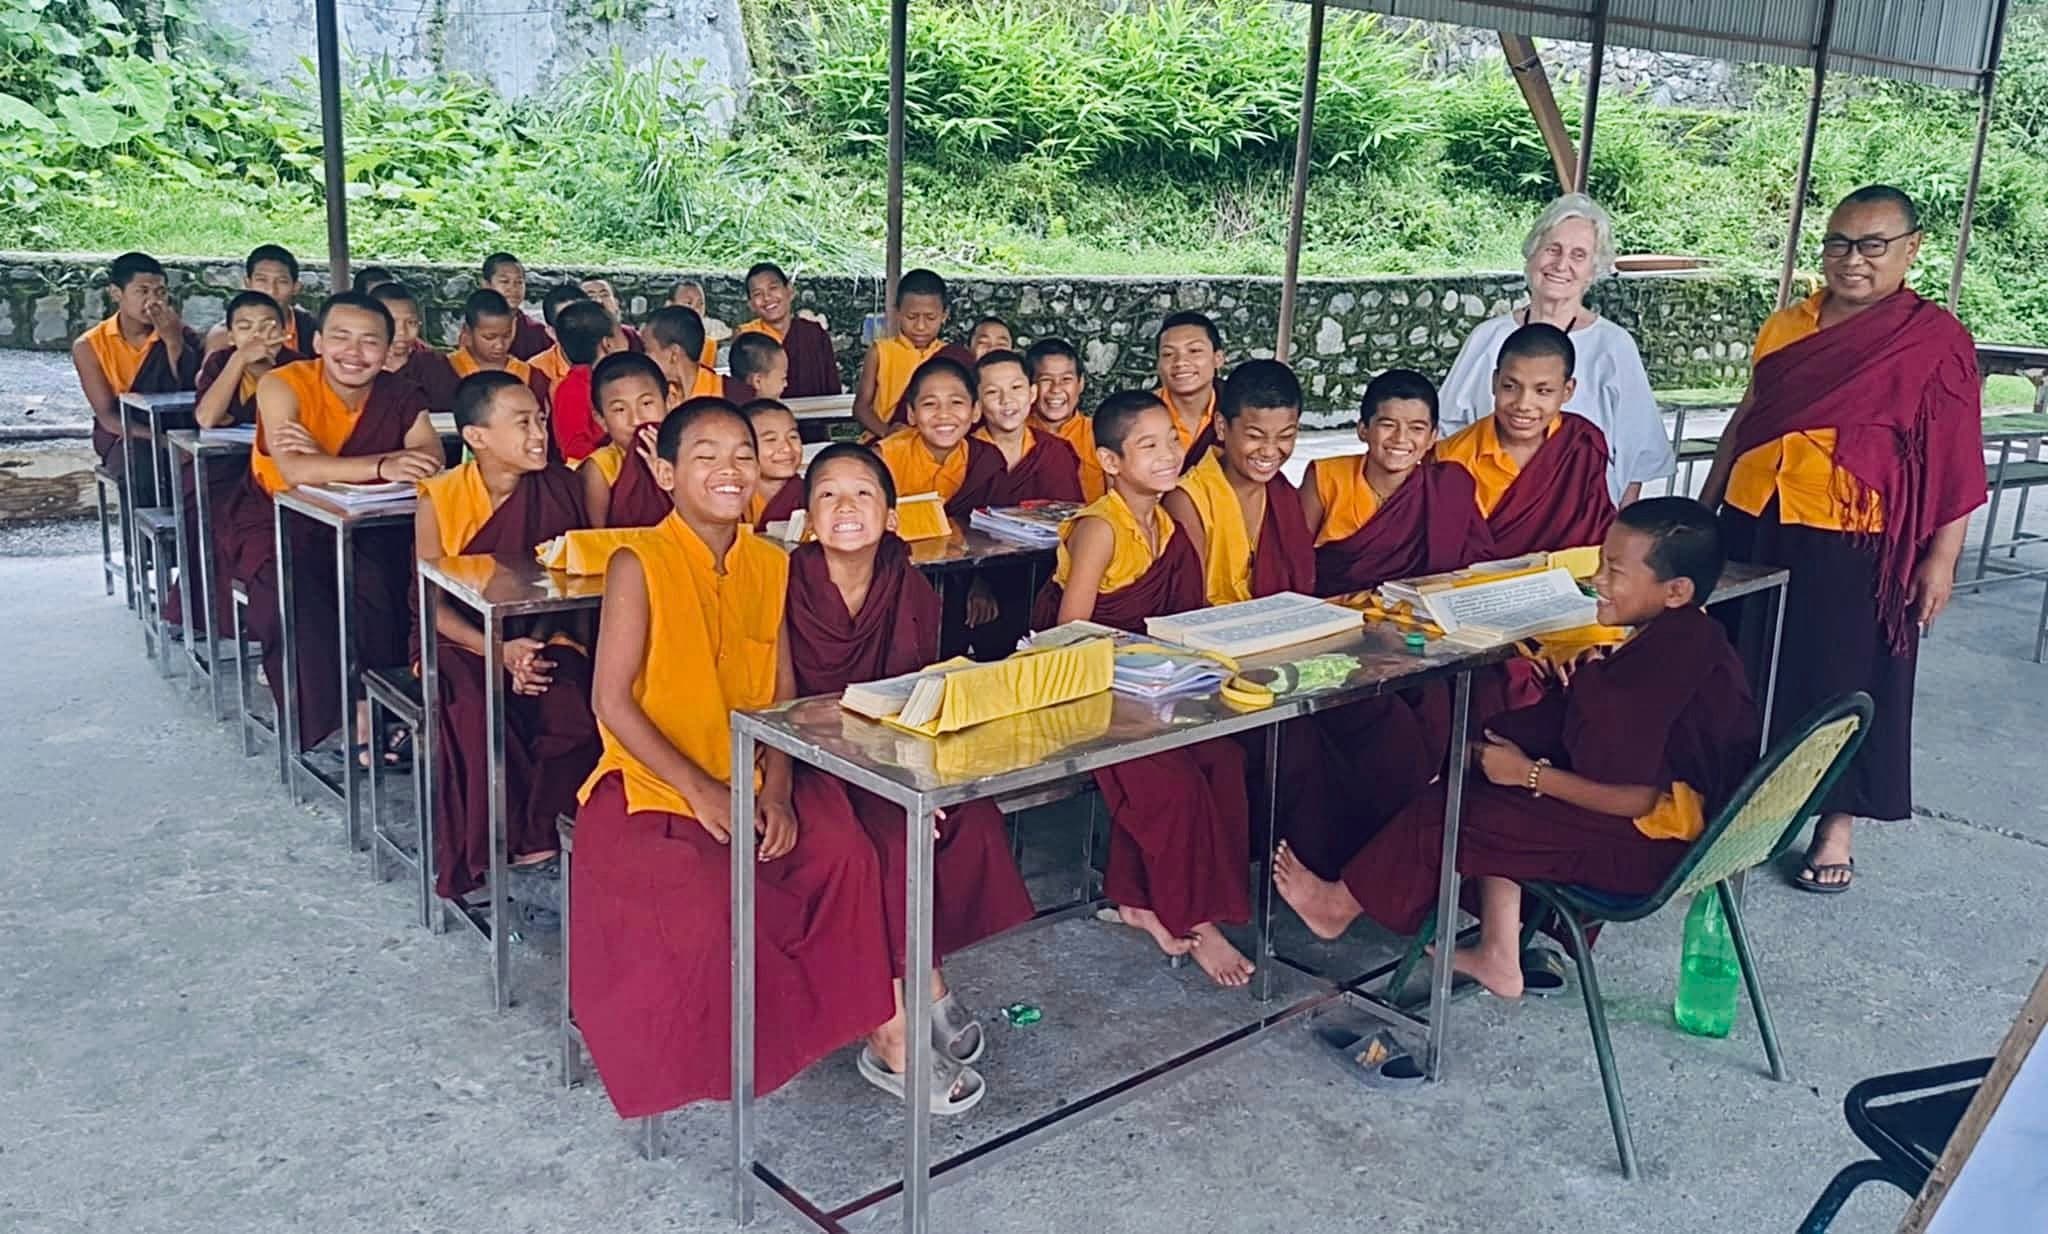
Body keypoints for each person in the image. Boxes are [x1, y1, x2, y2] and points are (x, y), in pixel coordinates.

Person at [1274, 498, 1759, 999]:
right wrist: (1583, 687)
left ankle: (1338, 907)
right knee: (1492, 754)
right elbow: (1624, 722)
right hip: (1683, 838)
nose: (1596, 579)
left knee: (1457, 809)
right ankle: (1499, 954)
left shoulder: (1674, 653)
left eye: (1614, 570)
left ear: (1676, 591)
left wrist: (1529, 775)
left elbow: (1637, 798)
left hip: (1652, 851)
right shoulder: (1687, 636)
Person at [569, 398, 901, 1120]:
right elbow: (612, 701)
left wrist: (777, 789)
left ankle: (862, 1030)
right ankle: (715, 1062)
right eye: (706, 456)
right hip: (652, 783)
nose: (730, 470)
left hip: (755, 771)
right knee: (704, 902)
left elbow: (781, 691)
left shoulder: (769, 562)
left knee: (844, 853)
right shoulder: (639, 561)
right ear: (665, 472)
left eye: (743, 455)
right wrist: (701, 792)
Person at [1699, 184, 1983, 895]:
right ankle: (1738, 809)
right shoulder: (1786, 324)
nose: (1852, 260)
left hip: (1855, 532)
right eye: (1838, 244)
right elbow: (1747, 419)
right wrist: (1704, 509)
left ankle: (1835, 823)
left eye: (1872, 245)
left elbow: (1955, 457)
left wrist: (1940, 559)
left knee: (1843, 677)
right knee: (1741, 669)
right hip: (1755, 514)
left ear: (1911, 249)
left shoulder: (1933, 340)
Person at [787, 444, 1037, 1106]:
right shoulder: (784, 584)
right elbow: (776, 704)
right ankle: (888, 1029)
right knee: (888, 843)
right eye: (829, 496)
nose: (846, 507)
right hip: (805, 757)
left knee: (967, 816)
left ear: (893, 517)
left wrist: (923, 777)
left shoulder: (913, 583)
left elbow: (919, 690)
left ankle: (926, 974)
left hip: (886, 753)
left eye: (863, 494)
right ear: (807, 520)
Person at [1031, 391, 1256, 987]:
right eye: (1148, 445)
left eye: (1173, 441)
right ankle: (1198, 919)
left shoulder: (1170, 520)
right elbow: (1069, 636)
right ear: (1109, 460)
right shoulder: (1100, 529)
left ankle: (1138, 900)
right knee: (1174, 785)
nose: (1167, 455)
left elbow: (1186, 614)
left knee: (1225, 758)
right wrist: (1140, 678)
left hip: (1156, 687)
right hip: (1095, 694)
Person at [217, 293, 441, 756]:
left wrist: (328, 461)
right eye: (341, 338)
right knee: (295, 594)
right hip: (277, 520)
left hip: (367, 523)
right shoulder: (283, 384)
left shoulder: (398, 393)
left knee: (388, 587)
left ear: (387, 349)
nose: (354, 353)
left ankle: (391, 705)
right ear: (317, 342)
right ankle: (348, 714)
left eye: (369, 342)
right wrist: (382, 463)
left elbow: (430, 457)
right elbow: (296, 471)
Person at [415, 372, 598, 902]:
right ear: (477, 437)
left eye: (540, 419)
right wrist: (498, 653)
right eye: (523, 423)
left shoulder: (561, 486)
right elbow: (432, 607)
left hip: (542, 630)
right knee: (475, 709)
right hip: (461, 639)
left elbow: (563, 582)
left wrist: (530, 648)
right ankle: (502, 851)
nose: (540, 432)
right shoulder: (440, 498)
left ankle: (547, 838)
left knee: (569, 700)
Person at [1437, 194, 1673, 507]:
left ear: (1593, 271)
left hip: (1582, 525)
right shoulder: (1488, 338)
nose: (1561, 265)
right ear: (1531, 254)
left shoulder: (1613, 346)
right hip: (1484, 517)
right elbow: (1445, 435)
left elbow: (1636, 458)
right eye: (1552, 249)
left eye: (1578, 255)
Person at [1302, 368, 1495, 598]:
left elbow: (1476, 568)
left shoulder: (1448, 487)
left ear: (1432, 437)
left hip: (1418, 617)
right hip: (1338, 615)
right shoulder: (1326, 477)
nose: (1401, 438)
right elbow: (1293, 560)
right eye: (1388, 424)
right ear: (1363, 429)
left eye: (1416, 428)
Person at [1435, 322, 1616, 557]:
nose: (1523, 405)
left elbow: (1595, 533)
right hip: (1480, 589)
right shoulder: (1452, 459)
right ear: (1494, 382)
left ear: (1567, 391)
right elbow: (1446, 556)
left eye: (1543, 391)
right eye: (1510, 387)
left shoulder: (1581, 443)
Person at [1163, 359, 1314, 605]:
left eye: (1286, 436)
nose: (1269, 451)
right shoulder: (1188, 500)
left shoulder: (1282, 495)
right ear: (1222, 427)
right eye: (1255, 436)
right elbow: (1189, 603)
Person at [73, 251, 202, 500]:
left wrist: (173, 342)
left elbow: (191, 392)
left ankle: (193, 538)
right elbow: (108, 417)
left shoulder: (178, 332)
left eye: (161, 292)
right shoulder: (90, 345)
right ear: (116, 293)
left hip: (176, 427)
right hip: (126, 434)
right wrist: (162, 441)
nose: (153, 301)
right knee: (142, 465)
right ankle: (148, 539)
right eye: (142, 291)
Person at [873, 355, 1005, 521]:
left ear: (975, 411)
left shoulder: (986, 460)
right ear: (911, 414)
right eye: (929, 404)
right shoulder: (884, 459)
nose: (943, 414)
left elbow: (996, 526)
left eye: (956, 402)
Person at [853, 268, 973, 438]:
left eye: (930, 318)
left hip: (939, 440)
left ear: (944, 315)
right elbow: (861, 408)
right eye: (911, 317)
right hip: (886, 442)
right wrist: (887, 432)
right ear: (897, 313)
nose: (920, 326)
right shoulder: (881, 352)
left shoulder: (952, 356)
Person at [973, 349, 1084, 506]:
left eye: (1016, 388)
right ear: (977, 405)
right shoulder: (965, 453)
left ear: (1032, 394)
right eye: (992, 392)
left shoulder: (1054, 451)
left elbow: (1068, 516)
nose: (1007, 400)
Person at [578, 352, 674, 530]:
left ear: (669, 402)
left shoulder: (686, 454)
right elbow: (597, 538)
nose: (636, 420)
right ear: (601, 420)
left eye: (646, 404)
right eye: (620, 409)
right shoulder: (602, 467)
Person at [195, 292, 300, 430]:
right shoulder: (220, 361)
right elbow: (207, 419)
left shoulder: (299, 366)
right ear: (231, 337)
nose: (257, 335)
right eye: (245, 327)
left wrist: (233, 417)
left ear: (283, 332)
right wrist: (240, 358)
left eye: (268, 326)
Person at [736, 262, 842, 397]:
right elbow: (743, 391)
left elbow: (831, 384)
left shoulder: (814, 333)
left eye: (773, 288)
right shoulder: (746, 337)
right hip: (766, 415)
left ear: (790, 291)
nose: (767, 298)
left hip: (814, 413)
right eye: (758, 294)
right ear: (751, 304)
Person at [546, 299, 625, 464]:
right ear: (608, 344)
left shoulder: (620, 380)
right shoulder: (572, 388)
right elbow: (575, 450)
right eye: (621, 334)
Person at [205, 245, 318, 358]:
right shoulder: (222, 335)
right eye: (262, 280)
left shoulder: (313, 329)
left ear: (296, 287)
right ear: (248, 283)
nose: (271, 290)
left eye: (282, 281)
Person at [1025, 337, 1103, 501]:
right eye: (1046, 380)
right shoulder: (1016, 434)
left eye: (1066, 379)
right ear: (1030, 386)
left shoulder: (1099, 434)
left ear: (1080, 384)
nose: (1056, 389)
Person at [451, 289, 553, 414]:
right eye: (489, 337)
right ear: (467, 331)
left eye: (506, 336)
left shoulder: (531, 376)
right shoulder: (445, 368)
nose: (499, 345)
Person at [370, 282, 460, 411]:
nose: (402, 331)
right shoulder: (359, 367)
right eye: (392, 322)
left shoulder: (433, 365)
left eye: (411, 322)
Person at [1155, 311, 1225, 467]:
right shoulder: (1139, 417)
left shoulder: (1236, 410)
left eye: (1194, 351)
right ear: (1158, 365)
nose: (1180, 362)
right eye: (1168, 354)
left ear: (1218, 359)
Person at [642, 304, 722, 408]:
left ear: (673, 354)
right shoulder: (655, 400)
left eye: (647, 350)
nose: (644, 358)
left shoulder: (731, 393)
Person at [743, 399, 805, 531]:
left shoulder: (811, 496)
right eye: (771, 439)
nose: (787, 448)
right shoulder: (733, 497)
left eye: (793, 436)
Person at [481, 252, 553, 359]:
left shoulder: (537, 332)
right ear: (486, 285)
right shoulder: (475, 329)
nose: (513, 288)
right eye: (505, 281)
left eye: (519, 282)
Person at [578, 277, 645, 354]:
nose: (599, 301)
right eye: (590, 297)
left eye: (604, 295)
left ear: (616, 303)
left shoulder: (631, 335)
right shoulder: (571, 340)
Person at [668, 279, 722, 370]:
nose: (696, 309)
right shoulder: (658, 341)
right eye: (689, 303)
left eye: (700, 304)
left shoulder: (709, 344)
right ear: (670, 305)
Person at [725, 330, 789, 405]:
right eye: (783, 379)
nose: (786, 384)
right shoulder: (750, 413)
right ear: (757, 381)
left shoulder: (721, 398)